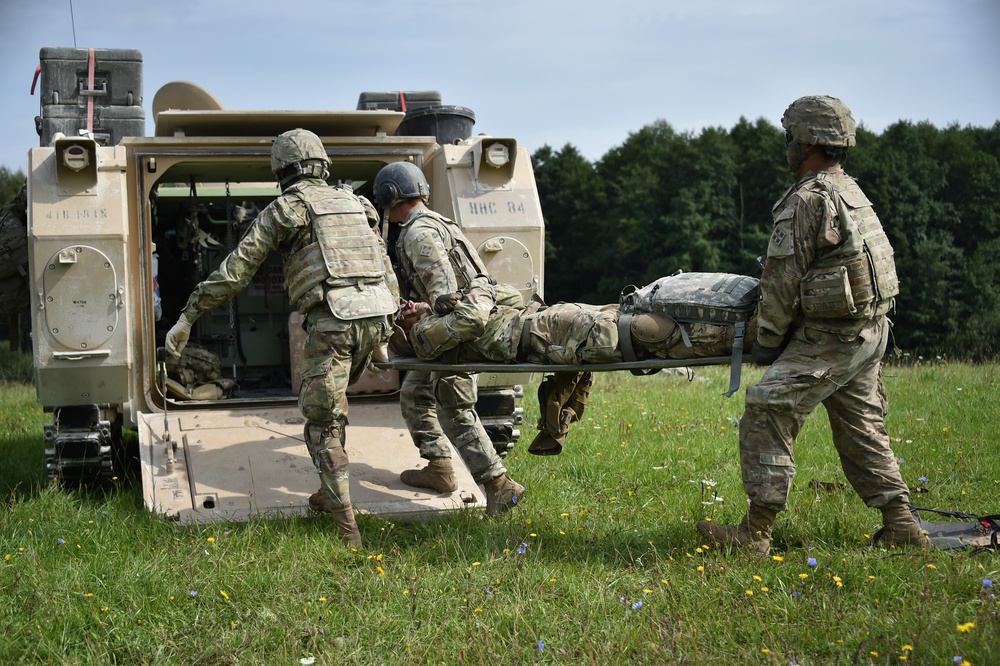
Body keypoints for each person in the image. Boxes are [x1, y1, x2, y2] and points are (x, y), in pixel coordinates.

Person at [696, 96, 928, 556]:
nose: (786, 146)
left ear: (806, 142)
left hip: (833, 338)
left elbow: (781, 282)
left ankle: (755, 533)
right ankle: (901, 525)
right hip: (867, 331)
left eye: (790, 137)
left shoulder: (807, 200)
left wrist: (765, 340)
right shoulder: (850, 192)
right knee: (862, 425)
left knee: (767, 405)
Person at [165, 129, 398, 547]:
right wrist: (388, 330)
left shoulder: (287, 209)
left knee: (321, 423)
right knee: (334, 403)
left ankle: (348, 530)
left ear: (282, 171)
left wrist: (187, 317)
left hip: (334, 323)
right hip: (376, 317)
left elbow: (236, 271)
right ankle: (331, 495)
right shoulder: (359, 204)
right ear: (322, 164)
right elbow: (385, 267)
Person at [394, 274, 756, 454]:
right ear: (404, 331)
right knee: (639, 331)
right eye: (402, 311)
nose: (409, 303)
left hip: (546, 321)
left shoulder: (443, 317)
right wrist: (475, 288)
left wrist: (465, 292)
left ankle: (745, 318)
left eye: (408, 302)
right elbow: (475, 317)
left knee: (634, 312)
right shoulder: (426, 337)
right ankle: (748, 329)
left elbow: (505, 294)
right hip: (543, 335)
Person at [372, 161, 525, 517]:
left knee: (454, 407)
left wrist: (420, 315)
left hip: (456, 333)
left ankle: (499, 485)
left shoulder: (417, 233)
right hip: (465, 321)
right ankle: (440, 468)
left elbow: (447, 298)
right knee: (414, 393)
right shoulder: (438, 222)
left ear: (390, 196)